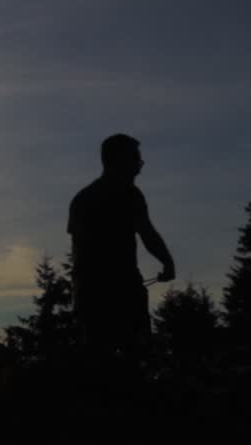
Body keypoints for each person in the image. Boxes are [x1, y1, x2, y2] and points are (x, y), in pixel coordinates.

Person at [67, 134, 175, 375]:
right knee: (133, 356)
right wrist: (167, 263)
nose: (140, 164)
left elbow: (78, 249)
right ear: (118, 160)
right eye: (136, 158)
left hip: (92, 291)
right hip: (118, 289)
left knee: (98, 360)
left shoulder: (83, 198)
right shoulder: (129, 195)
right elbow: (147, 233)